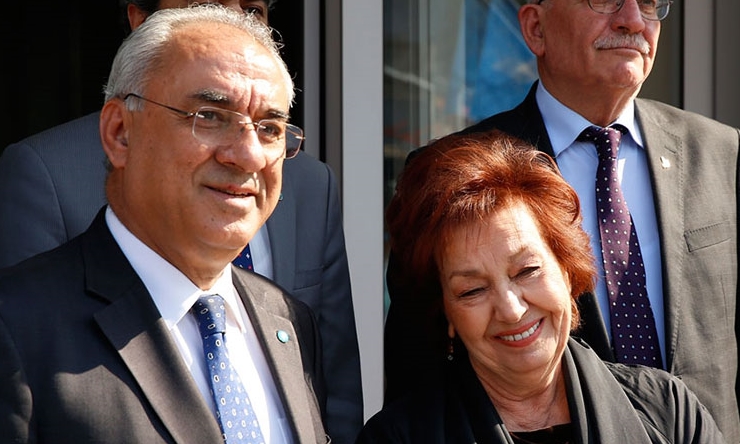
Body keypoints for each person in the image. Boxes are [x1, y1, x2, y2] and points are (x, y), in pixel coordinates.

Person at [0, 1, 363, 441]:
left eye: (269, 128)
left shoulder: (286, 320)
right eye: (210, 117)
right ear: (120, 133)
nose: (249, 155)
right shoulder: (18, 327)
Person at [384, 0, 740, 440]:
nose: (633, 20)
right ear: (536, 27)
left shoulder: (720, 152)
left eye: (649, 3)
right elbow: (416, 374)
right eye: (605, 0)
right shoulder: (454, 175)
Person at [361, 131, 724, 443]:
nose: (511, 309)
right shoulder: (397, 437)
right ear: (447, 313)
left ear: (566, 270)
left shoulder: (670, 413)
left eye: (527, 271)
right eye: (472, 290)